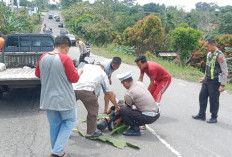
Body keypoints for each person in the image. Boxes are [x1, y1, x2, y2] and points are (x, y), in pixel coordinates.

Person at [35, 35, 80, 157]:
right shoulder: (65, 59)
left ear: (54, 45)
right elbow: (74, 78)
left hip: (48, 99)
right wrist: (79, 71)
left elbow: (37, 74)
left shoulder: (43, 57)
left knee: (54, 125)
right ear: (66, 47)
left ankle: (58, 151)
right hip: (64, 99)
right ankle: (57, 151)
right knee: (70, 121)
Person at [73, 62, 120, 138]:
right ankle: (90, 133)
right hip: (87, 90)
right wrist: (116, 106)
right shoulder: (103, 73)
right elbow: (109, 93)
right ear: (103, 68)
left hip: (73, 89)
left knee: (68, 109)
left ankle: (64, 130)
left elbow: (79, 72)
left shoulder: (87, 66)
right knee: (93, 111)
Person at [192, 38, 228, 123]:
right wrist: (204, 77)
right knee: (202, 96)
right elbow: (207, 67)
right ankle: (201, 114)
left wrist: (222, 85)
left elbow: (224, 70)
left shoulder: (220, 56)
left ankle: (214, 117)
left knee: (214, 99)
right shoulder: (209, 54)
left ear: (213, 44)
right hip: (207, 80)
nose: (206, 48)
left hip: (215, 82)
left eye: (207, 46)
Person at [116, 72, 160, 136]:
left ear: (125, 82)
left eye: (122, 83)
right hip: (157, 113)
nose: (123, 85)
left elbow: (127, 110)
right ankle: (141, 123)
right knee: (138, 106)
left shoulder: (129, 93)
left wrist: (119, 119)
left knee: (123, 110)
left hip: (149, 117)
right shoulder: (139, 83)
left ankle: (134, 129)